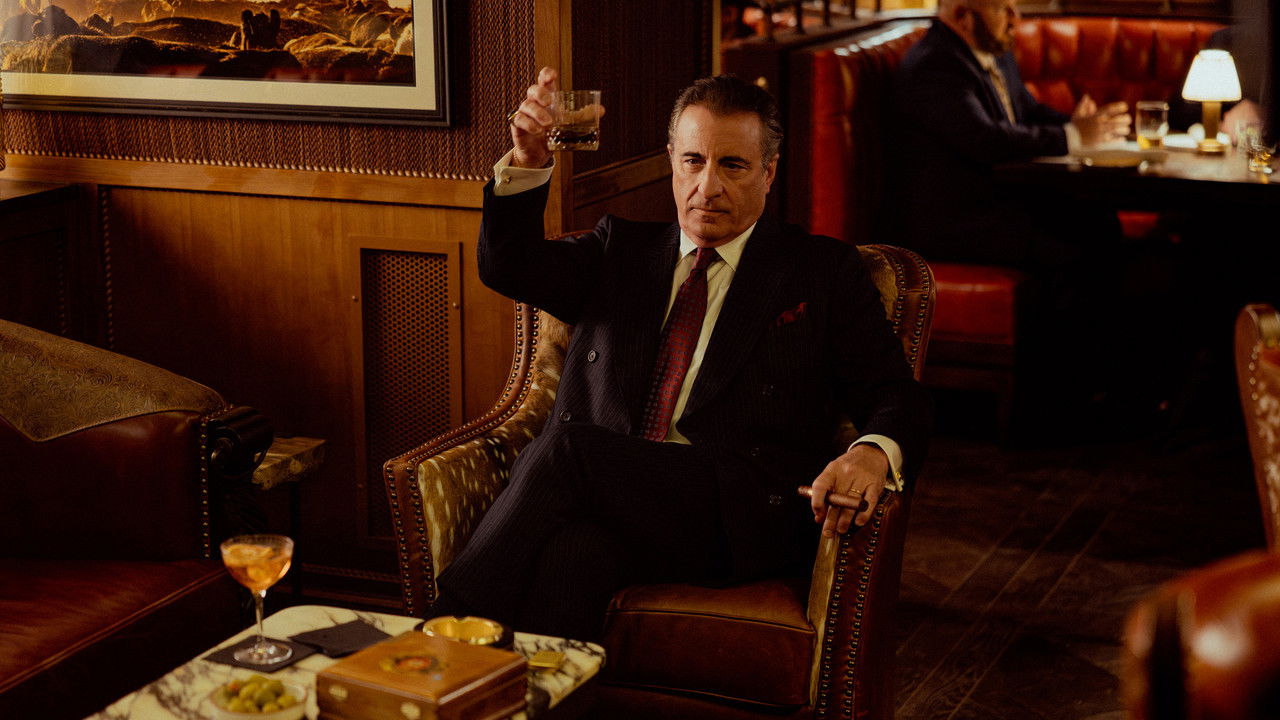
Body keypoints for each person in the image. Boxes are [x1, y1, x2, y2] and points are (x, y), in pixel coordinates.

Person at [428, 70, 932, 641]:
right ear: (672, 160)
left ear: (768, 172)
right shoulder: (620, 251)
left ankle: (436, 634)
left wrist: (871, 453)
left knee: (567, 448)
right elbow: (508, 266)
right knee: (575, 555)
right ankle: (515, 685)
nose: (707, 186)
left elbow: (898, 395)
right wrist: (527, 160)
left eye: (733, 165)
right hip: (613, 497)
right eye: (693, 161)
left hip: (734, 512)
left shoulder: (822, 272)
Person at [890, 0, 1130, 268]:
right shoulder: (935, 65)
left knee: (1099, 220)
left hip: (999, 200)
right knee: (1076, 247)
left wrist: (1083, 126)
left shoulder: (991, 49)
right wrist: (1073, 136)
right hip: (958, 222)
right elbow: (986, 140)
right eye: (1002, 9)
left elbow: (1028, 111)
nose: (1015, 18)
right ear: (963, 16)